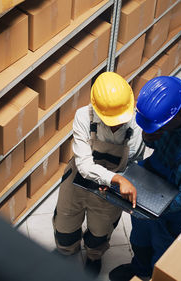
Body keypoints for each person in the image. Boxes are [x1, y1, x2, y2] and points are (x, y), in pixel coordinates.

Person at [109, 76, 181, 281]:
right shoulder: (170, 115)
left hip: (171, 213)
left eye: (158, 127)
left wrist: (149, 206)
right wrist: (148, 137)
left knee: (162, 253)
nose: (157, 130)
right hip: (148, 184)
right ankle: (139, 270)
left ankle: (152, 276)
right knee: (139, 238)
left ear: (178, 115)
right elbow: (156, 145)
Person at [53, 72, 145, 277]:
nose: (116, 125)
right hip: (78, 180)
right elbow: (84, 164)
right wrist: (116, 178)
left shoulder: (137, 126)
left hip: (110, 191)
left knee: (100, 230)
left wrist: (120, 179)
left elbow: (133, 162)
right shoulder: (83, 117)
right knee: (65, 224)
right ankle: (66, 251)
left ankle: (94, 256)